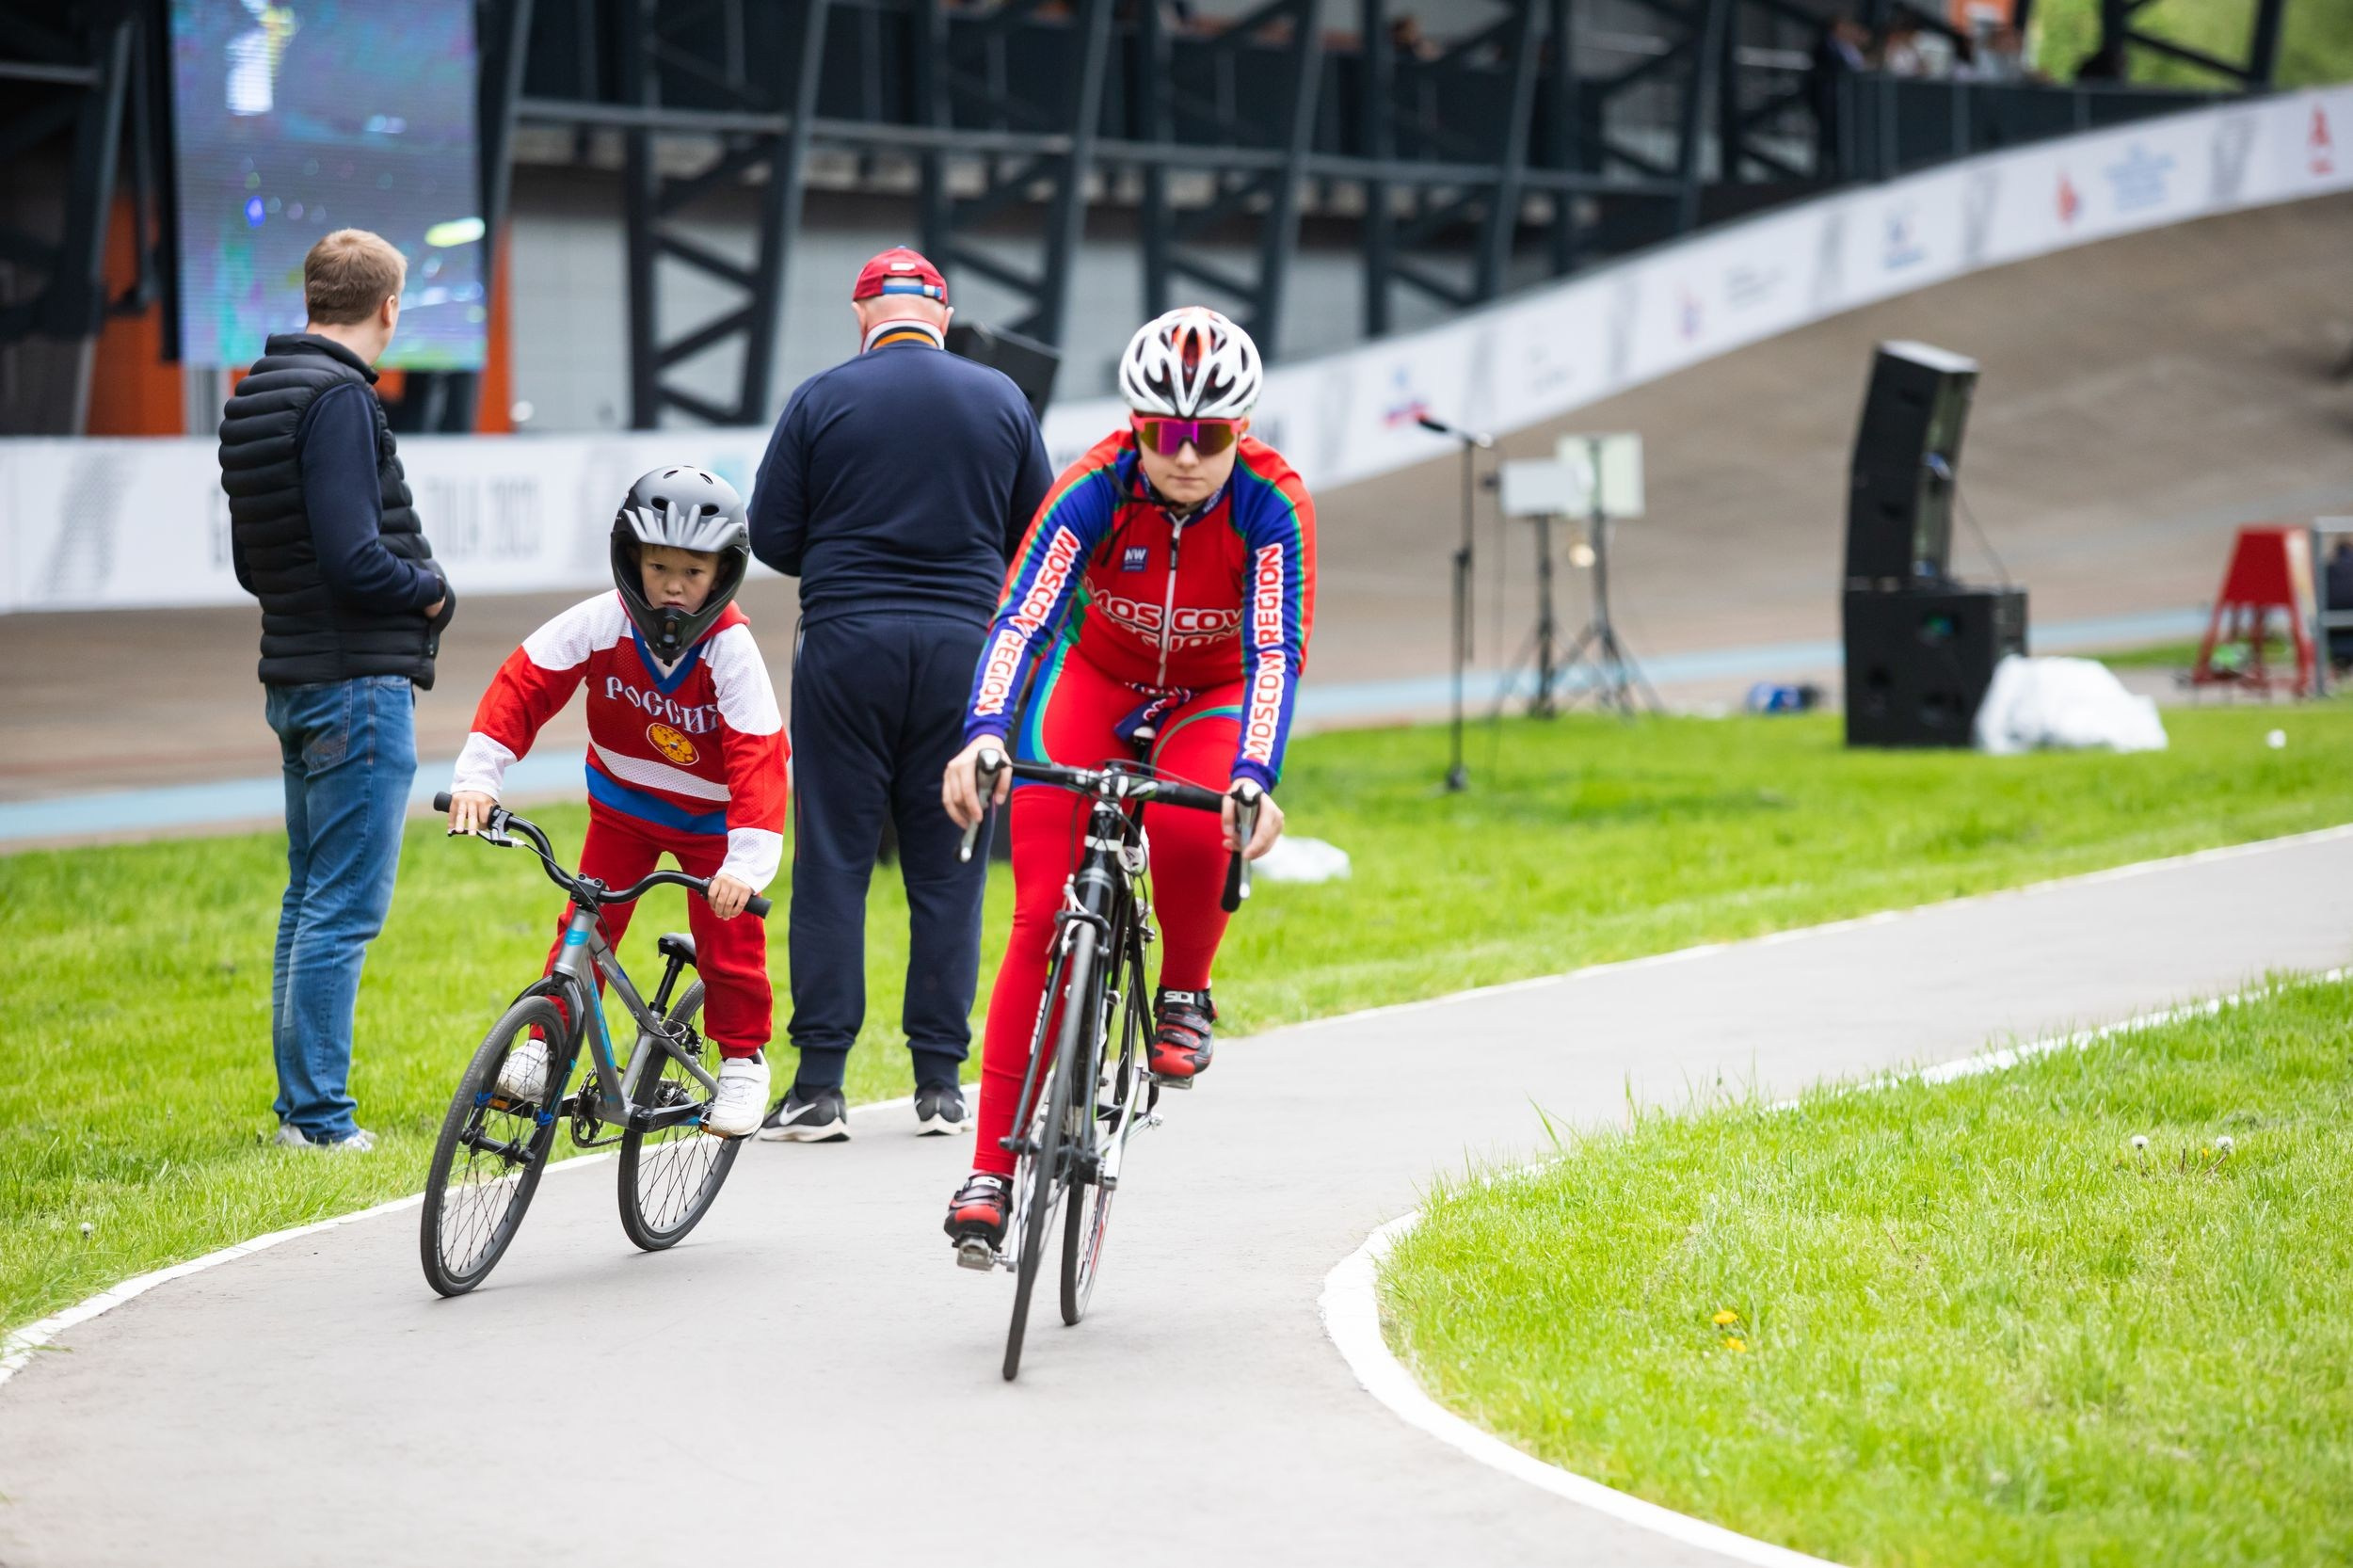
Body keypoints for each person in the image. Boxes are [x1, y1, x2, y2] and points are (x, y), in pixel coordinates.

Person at [936, 307, 1316, 1253]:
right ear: (1135, 425)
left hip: (1212, 689)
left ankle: (1184, 991)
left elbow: (1274, 651)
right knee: (1033, 919)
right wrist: (982, 734)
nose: (1185, 456)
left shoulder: (1272, 502)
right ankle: (988, 1169)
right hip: (1097, 678)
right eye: (1163, 432)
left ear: (1245, 428)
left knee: (1196, 829)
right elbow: (1019, 619)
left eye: (1210, 435)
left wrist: (1255, 776)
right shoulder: (1093, 486)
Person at [747, 247, 1054, 1142]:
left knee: (836, 860)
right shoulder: (1001, 397)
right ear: (944, 314)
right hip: (965, 647)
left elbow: (771, 534)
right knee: (949, 865)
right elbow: (1037, 530)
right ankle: (939, 1085)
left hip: (847, 642)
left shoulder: (821, 396)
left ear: (861, 314)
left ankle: (820, 1086)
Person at [443, 468, 788, 1138]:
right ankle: (543, 1050)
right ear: (632, 559)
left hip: (713, 826)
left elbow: (759, 758)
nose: (674, 585)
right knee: (584, 924)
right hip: (623, 809)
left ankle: (744, 1062)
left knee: (730, 948)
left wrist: (746, 865)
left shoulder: (731, 651)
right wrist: (479, 778)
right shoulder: (602, 620)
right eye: (659, 567)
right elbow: (525, 684)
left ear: (724, 572)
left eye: (694, 571)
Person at [218, 228, 456, 1153]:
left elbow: (254, 562)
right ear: (388, 307)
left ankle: (299, 1112)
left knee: (308, 900)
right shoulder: (341, 401)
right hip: (356, 684)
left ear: (312, 294)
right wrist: (430, 590)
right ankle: (319, 1121)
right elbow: (360, 559)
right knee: (342, 911)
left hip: (295, 673)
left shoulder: (257, 395)